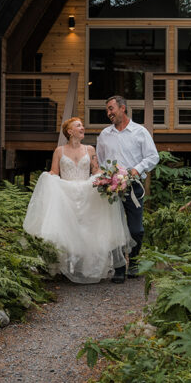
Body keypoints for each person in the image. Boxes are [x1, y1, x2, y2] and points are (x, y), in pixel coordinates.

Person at [22, 116, 134, 283]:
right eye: (78, 125)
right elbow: (54, 172)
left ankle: (85, 268)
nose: (83, 128)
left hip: (86, 193)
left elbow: (95, 171)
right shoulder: (59, 151)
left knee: (87, 230)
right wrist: (47, 178)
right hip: (66, 194)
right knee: (65, 230)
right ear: (70, 131)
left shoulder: (90, 150)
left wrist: (110, 178)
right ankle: (62, 267)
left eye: (82, 126)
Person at [96, 95, 159, 283]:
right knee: (113, 229)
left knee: (136, 229)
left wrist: (136, 169)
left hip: (133, 187)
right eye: (107, 110)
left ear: (122, 108)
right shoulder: (104, 135)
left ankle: (134, 262)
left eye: (111, 108)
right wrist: (106, 178)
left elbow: (153, 157)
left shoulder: (140, 132)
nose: (109, 113)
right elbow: (100, 161)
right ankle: (118, 267)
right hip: (111, 189)